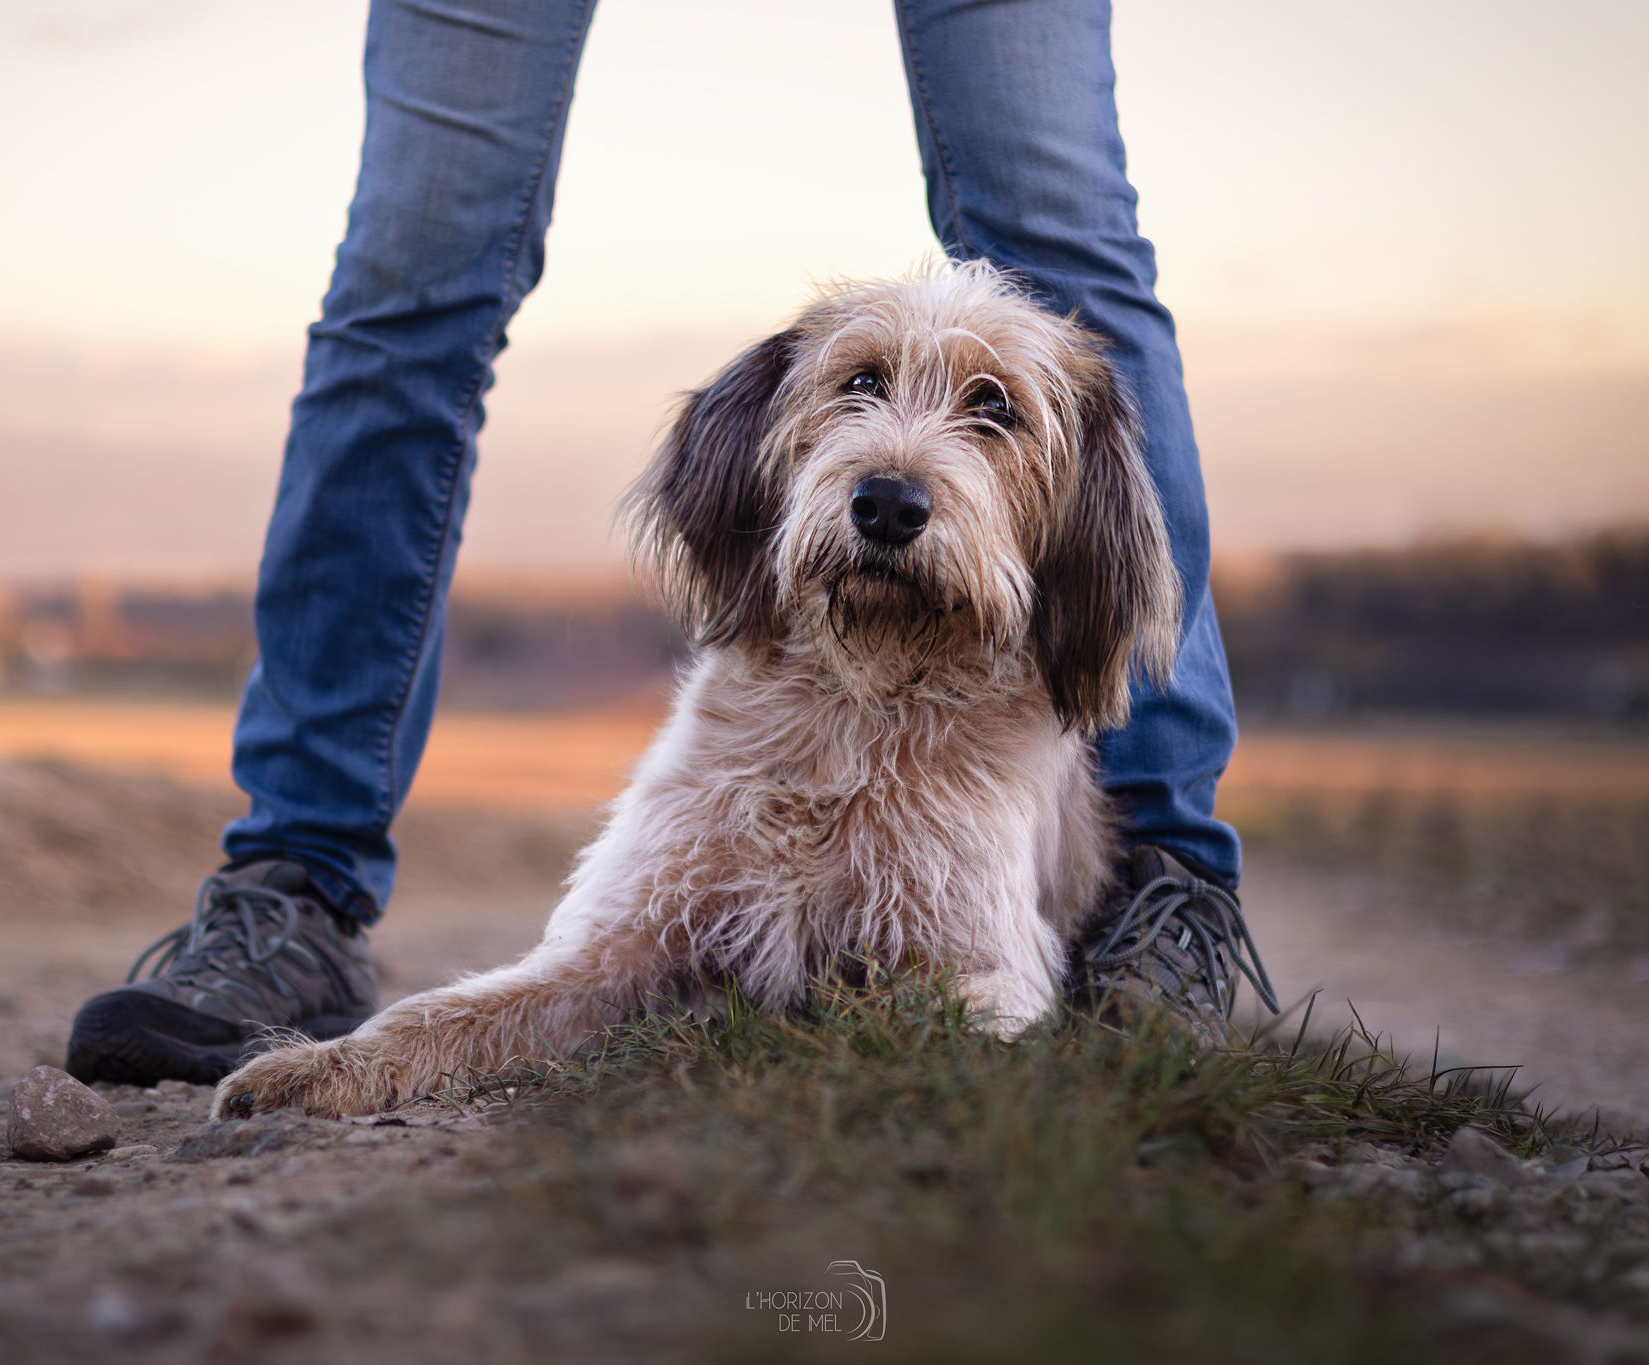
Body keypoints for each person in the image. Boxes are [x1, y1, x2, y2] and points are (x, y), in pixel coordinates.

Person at [65, 0, 1276, 1088]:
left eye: (990, 414)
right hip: (762, 690)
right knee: (408, 267)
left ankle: (1156, 882)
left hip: (1019, 718)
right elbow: (583, 977)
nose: (897, 465)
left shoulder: (1064, 567)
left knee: (1065, 238)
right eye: (855, 389)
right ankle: (295, 887)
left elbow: (980, 1005)